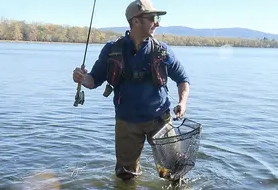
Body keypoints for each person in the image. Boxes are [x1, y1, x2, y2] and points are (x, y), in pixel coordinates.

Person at [72, 0, 190, 181]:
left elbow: (183, 79)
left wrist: (182, 102)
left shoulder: (162, 51)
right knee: (125, 176)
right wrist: (81, 78)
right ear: (136, 21)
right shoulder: (112, 50)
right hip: (126, 122)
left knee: (174, 173)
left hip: (160, 120)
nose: (157, 23)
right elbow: (93, 80)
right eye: (152, 18)